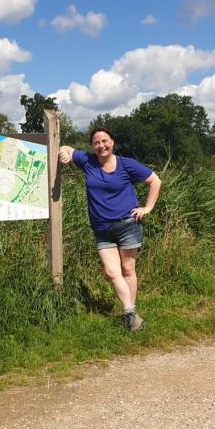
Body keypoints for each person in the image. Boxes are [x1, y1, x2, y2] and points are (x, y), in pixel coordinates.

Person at [59, 127, 161, 331]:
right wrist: (64, 152)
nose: (101, 146)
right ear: (92, 146)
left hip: (127, 225)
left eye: (104, 141)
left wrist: (147, 208)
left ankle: (130, 315)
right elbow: (67, 148)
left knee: (128, 269)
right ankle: (131, 313)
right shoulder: (88, 161)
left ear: (112, 142)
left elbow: (155, 181)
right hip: (102, 229)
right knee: (111, 272)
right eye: (96, 142)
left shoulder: (126, 165)